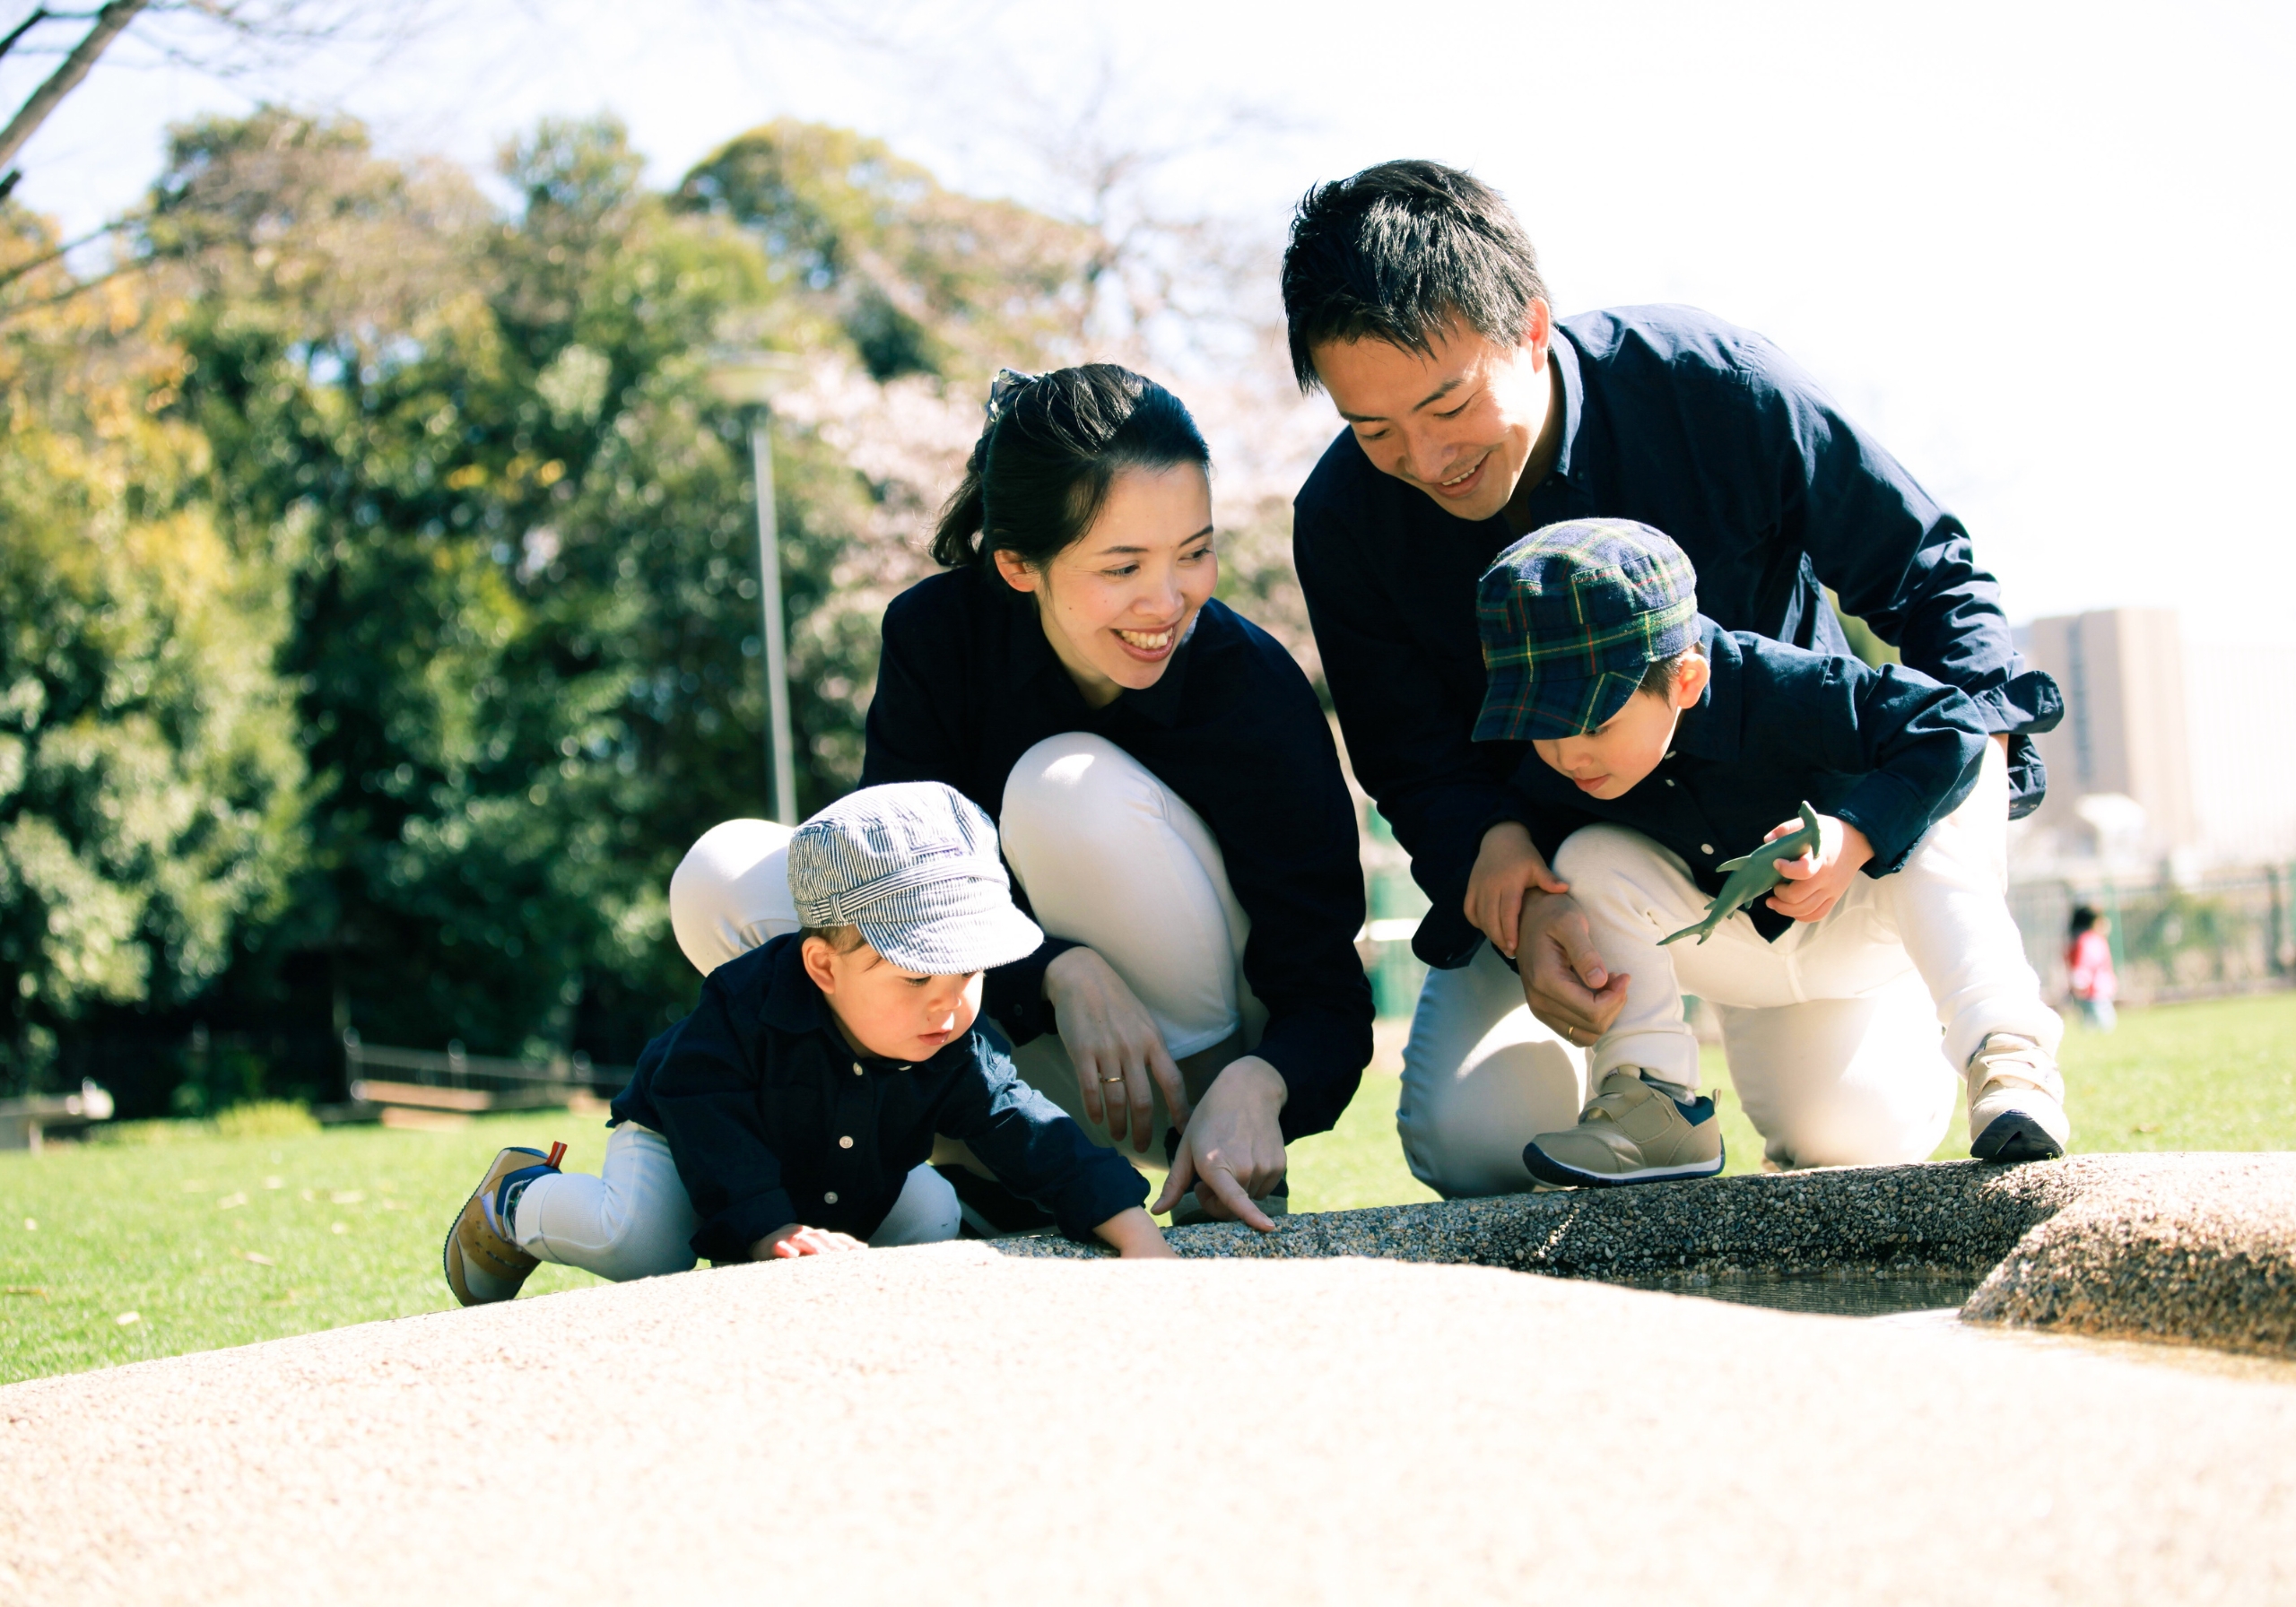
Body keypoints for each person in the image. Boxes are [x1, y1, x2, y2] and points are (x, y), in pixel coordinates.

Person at [1281, 159, 2063, 1195]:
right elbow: (1407, 756)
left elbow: (1936, 585)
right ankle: (1646, 1096)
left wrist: (1916, 809)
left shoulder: (1712, 388)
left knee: (1848, 1127)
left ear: (1528, 327)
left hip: (1809, 854)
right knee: (1474, 1136)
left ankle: (1983, 1044)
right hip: (1588, 874)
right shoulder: (1343, 518)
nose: (1424, 458)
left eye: (1447, 404)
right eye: (1371, 428)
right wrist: (1502, 867)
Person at [676, 365, 1373, 1231]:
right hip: (998, 1041)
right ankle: (964, 1160)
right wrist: (1059, 970)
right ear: (1016, 563)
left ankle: (1207, 1162)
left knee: (1062, 783)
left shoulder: (1253, 688)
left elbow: (1329, 993)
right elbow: (890, 897)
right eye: (1123, 566)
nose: (1169, 601)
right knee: (723, 877)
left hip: (1195, 1073)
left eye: (1194, 552)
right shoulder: (938, 640)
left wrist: (1261, 1083)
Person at [1472, 518, 2068, 1184]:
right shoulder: (1554, 766)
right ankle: (1654, 1109)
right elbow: (1511, 811)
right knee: (1586, 857)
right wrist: (1499, 841)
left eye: (1598, 719)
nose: (1567, 753)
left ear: (1688, 680)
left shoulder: (1781, 685)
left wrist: (1856, 833)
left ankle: (2009, 1058)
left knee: (1941, 818)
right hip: (1724, 946)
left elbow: (1950, 723)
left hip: (1854, 922)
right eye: (1541, 726)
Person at [441, 782, 1171, 1307]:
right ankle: (519, 1197)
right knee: (644, 1248)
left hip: (837, 1166)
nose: (948, 1003)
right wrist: (765, 1228)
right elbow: (704, 1109)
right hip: (689, 1139)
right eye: (915, 974)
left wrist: (1131, 1228)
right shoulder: (744, 1009)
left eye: (971, 971)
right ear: (823, 966)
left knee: (930, 1217)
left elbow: (1023, 1123)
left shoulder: (949, 1031)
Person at [2066, 906, 2118, 1031]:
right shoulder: (2089, 940)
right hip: (2096, 990)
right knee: (2104, 1023)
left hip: (2089, 990)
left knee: (2089, 1022)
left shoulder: (2078, 940)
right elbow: (2086, 964)